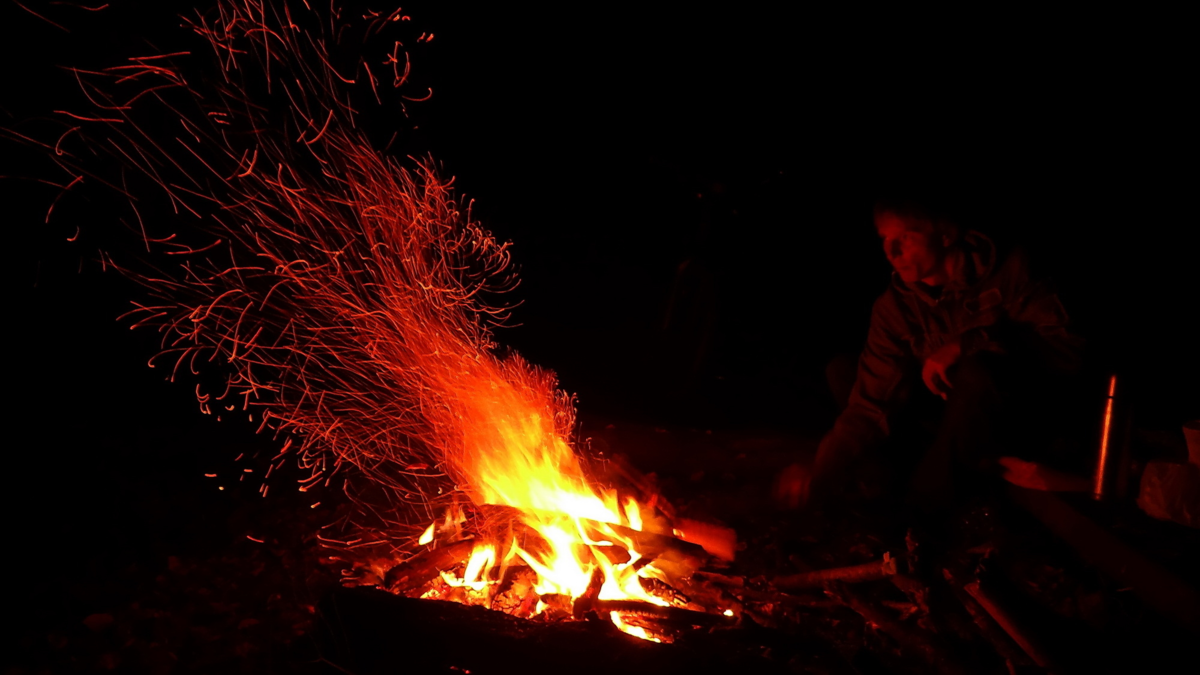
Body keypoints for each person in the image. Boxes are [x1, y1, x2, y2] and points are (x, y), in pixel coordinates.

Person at [776, 200, 1086, 511]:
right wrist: (822, 469)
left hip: (1021, 414)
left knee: (976, 371)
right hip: (950, 414)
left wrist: (971, 342)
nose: (891, 252)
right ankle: (900, 473)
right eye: (884, 238)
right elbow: (870, 405)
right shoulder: (896, 307)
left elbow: (1070, 353)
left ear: (946, 235)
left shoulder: (1011, 271)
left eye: (906, 238)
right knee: (844, 371)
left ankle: (932, 497)